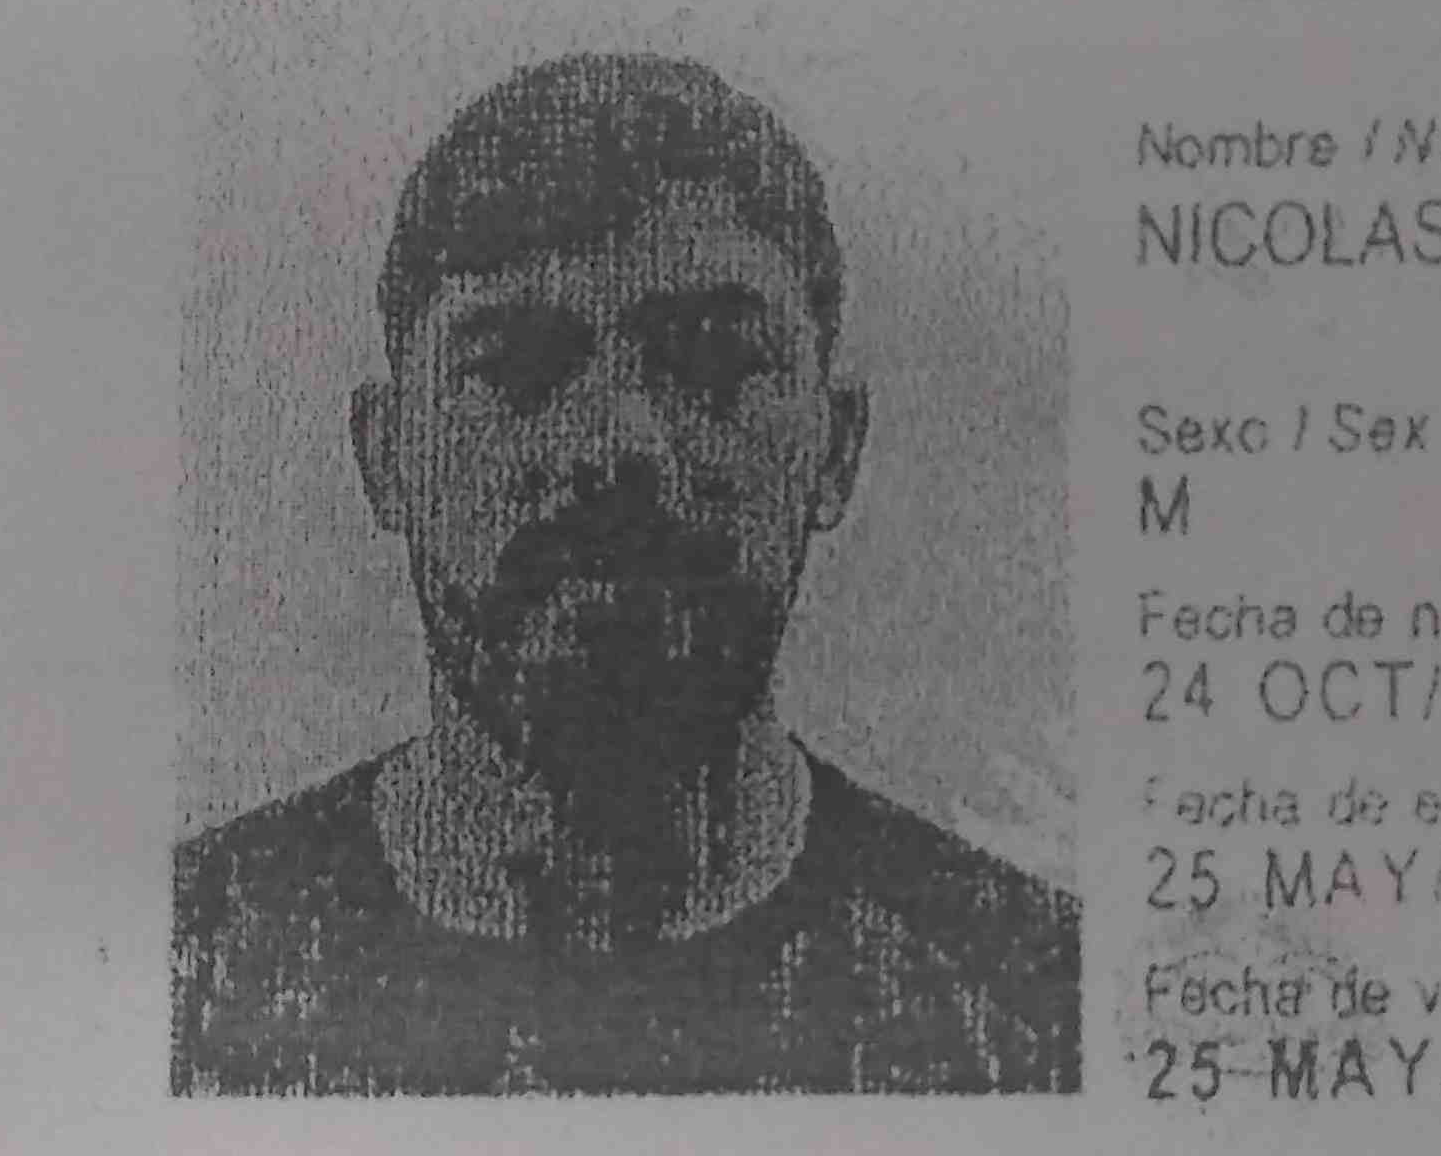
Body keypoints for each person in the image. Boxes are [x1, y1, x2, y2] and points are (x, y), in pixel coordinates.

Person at [172, 53, 1079, 1095]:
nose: (617, 444)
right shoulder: (192, 960)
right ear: (386, 456)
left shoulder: (1034, 995)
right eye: (511, 366)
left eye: (715, 362)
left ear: (834, 449)